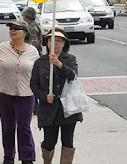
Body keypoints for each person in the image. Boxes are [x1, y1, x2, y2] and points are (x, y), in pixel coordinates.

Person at [0, 19, 39, 164]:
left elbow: (37, 73)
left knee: (24, 126)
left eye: (16, 28)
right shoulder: (2, 48)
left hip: (26, 94)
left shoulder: (33, 51)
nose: (13, 31)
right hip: (4, 93)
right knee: (8, 126)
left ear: (25, 32)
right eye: (11, 28)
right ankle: (8, 156)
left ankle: (27, 158)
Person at [30, 28, 82, 164]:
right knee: (49, 141)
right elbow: (34, 84)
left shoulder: (70, 59)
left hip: (67, 106)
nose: (55, 44)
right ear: (47, 43)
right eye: (52, 41)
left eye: (59, 41)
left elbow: (73, 76)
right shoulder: (40, 62)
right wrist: (44, 96)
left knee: (67, 141)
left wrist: (59, 64)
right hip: (48, 108)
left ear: (64, 44)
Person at [21, 7, 43, 115]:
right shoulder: (35, 25)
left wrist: (25, 53)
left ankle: (35, 107)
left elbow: (34, 43)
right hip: (35, 57)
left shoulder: (31, 27)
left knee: (31, 82)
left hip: (32, 58)